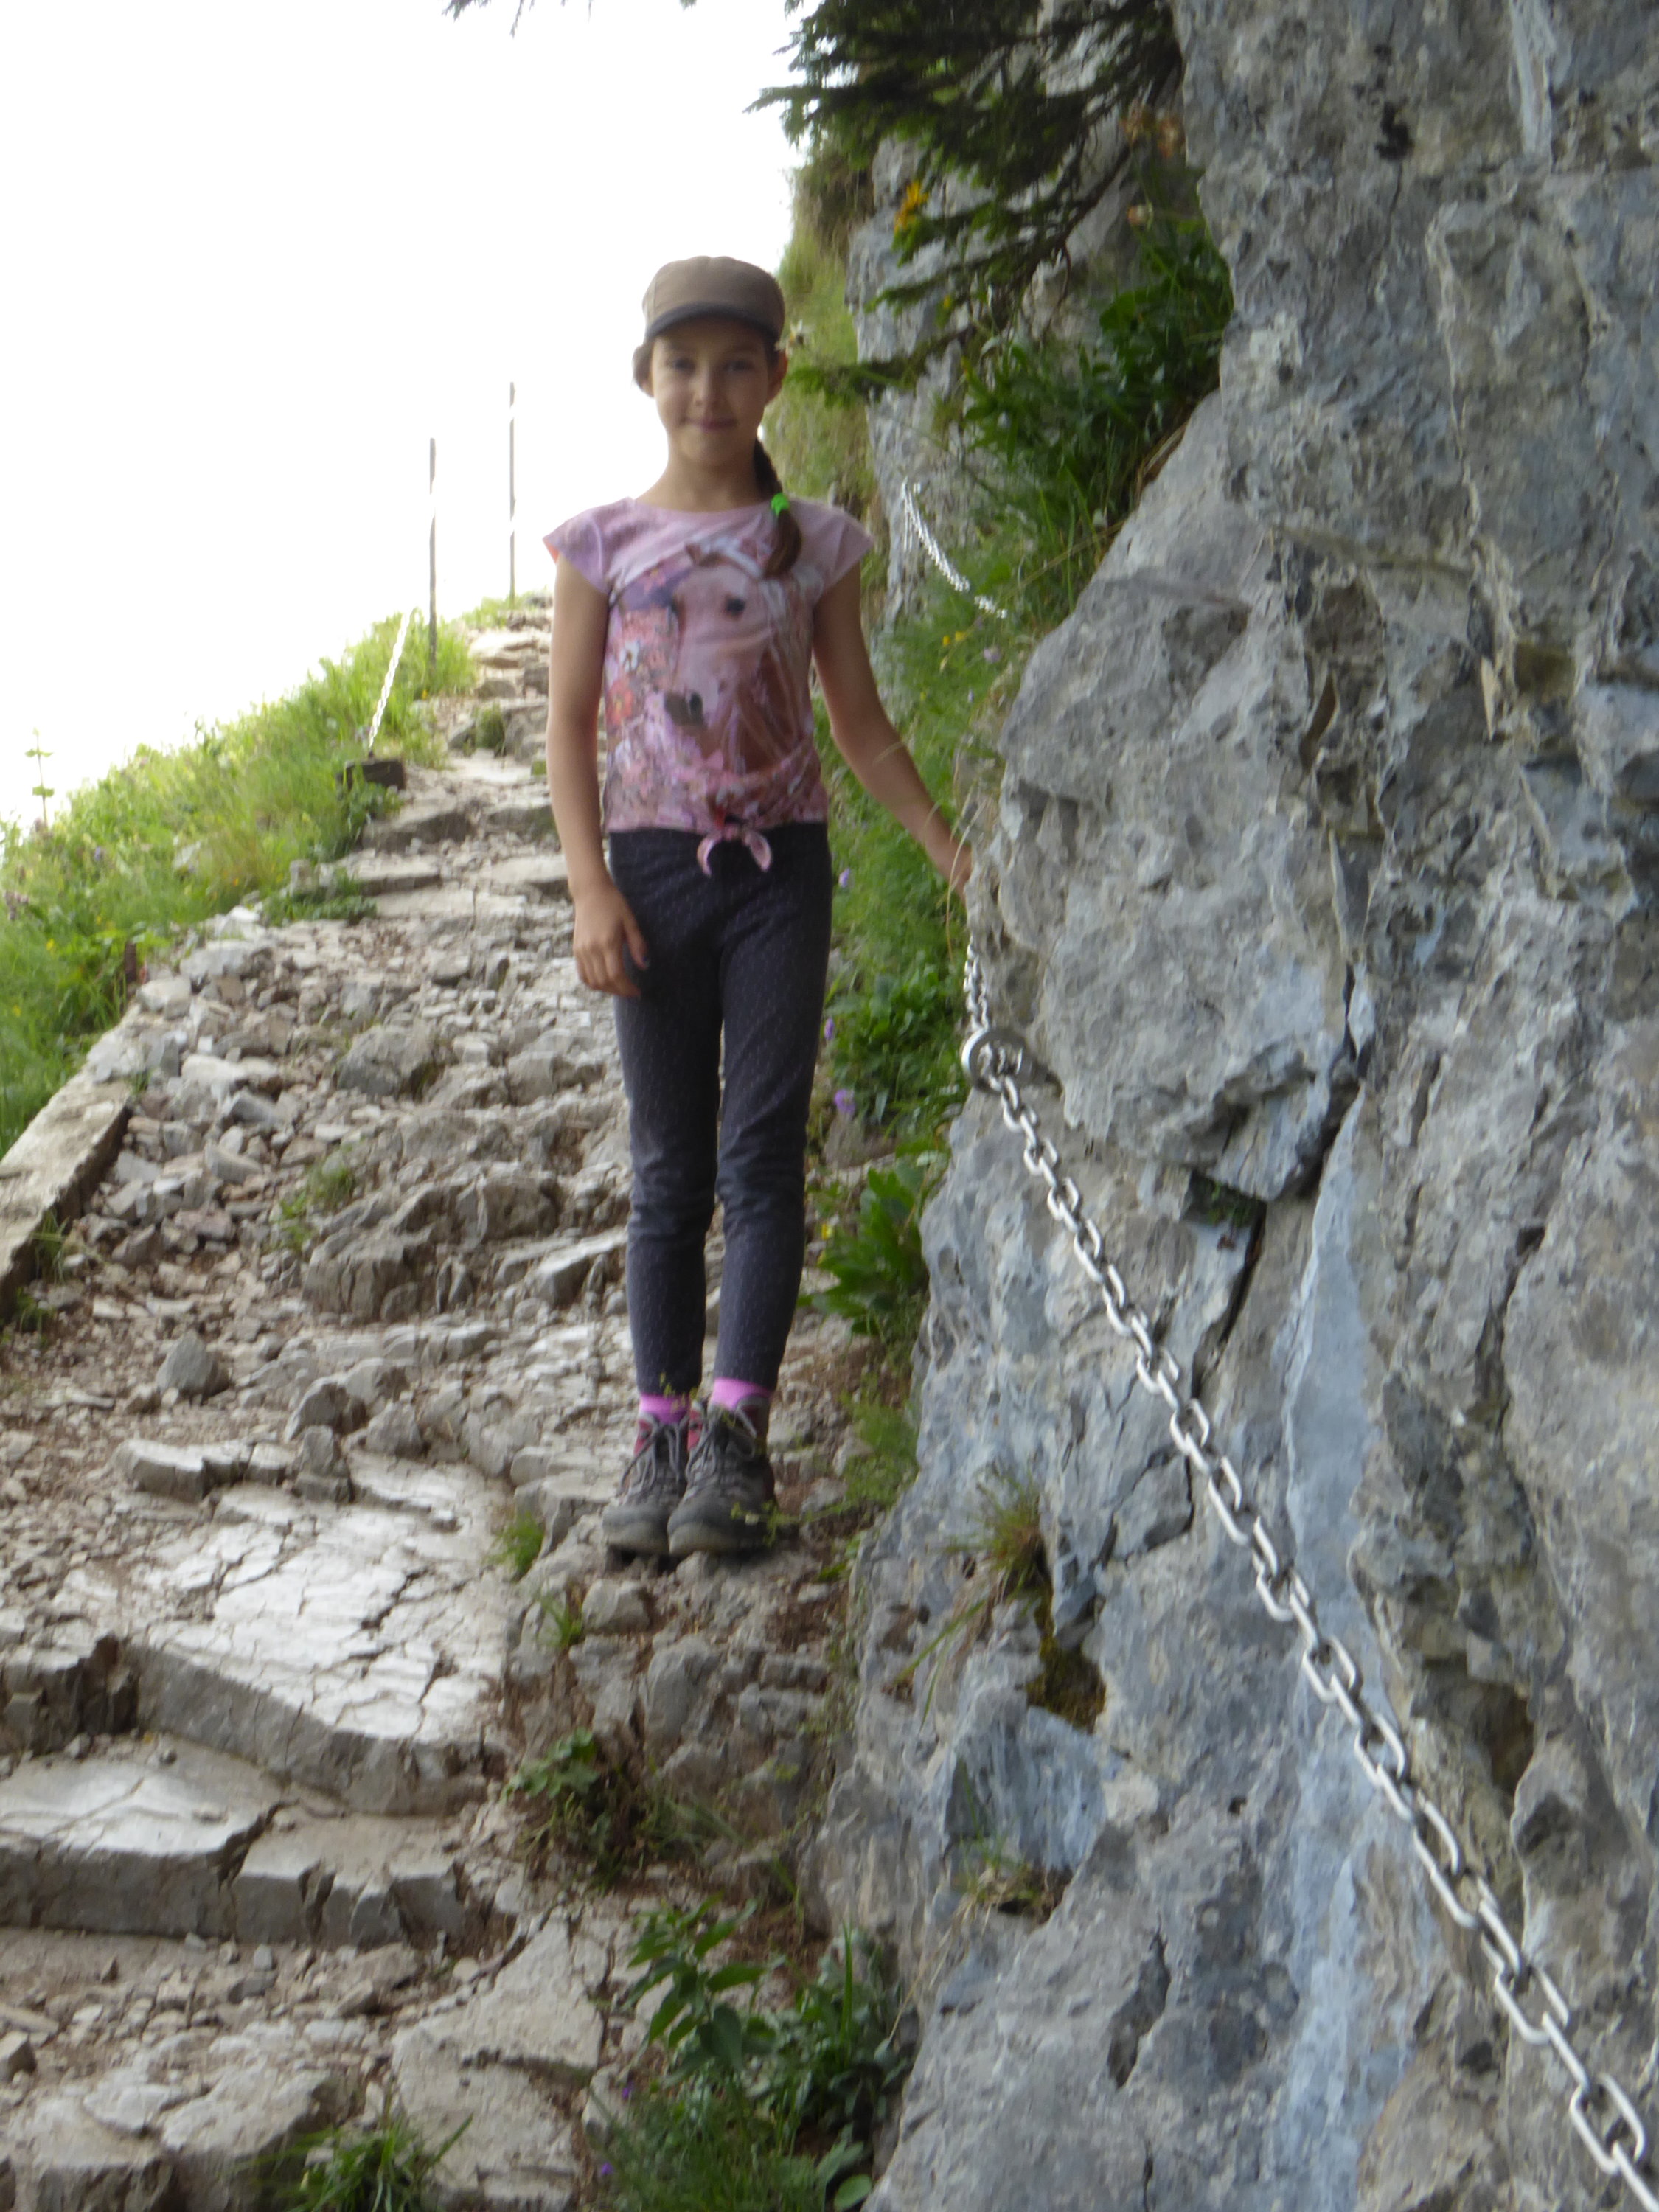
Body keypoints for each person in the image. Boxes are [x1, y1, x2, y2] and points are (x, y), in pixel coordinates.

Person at [543, 254, 969, 1562]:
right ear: (646, 378)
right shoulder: (600, 546)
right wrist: (590, 887)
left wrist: (947, 848)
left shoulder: (813, 542)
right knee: (668, 1167)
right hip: (651, 877)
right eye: (683, 365)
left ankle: (737, 1435)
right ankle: (658, 1430)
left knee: (763, 1152)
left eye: (737, 365)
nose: (708, 391)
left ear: (777, 376)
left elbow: (859, 723)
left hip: (782, 876)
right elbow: (566, 728)